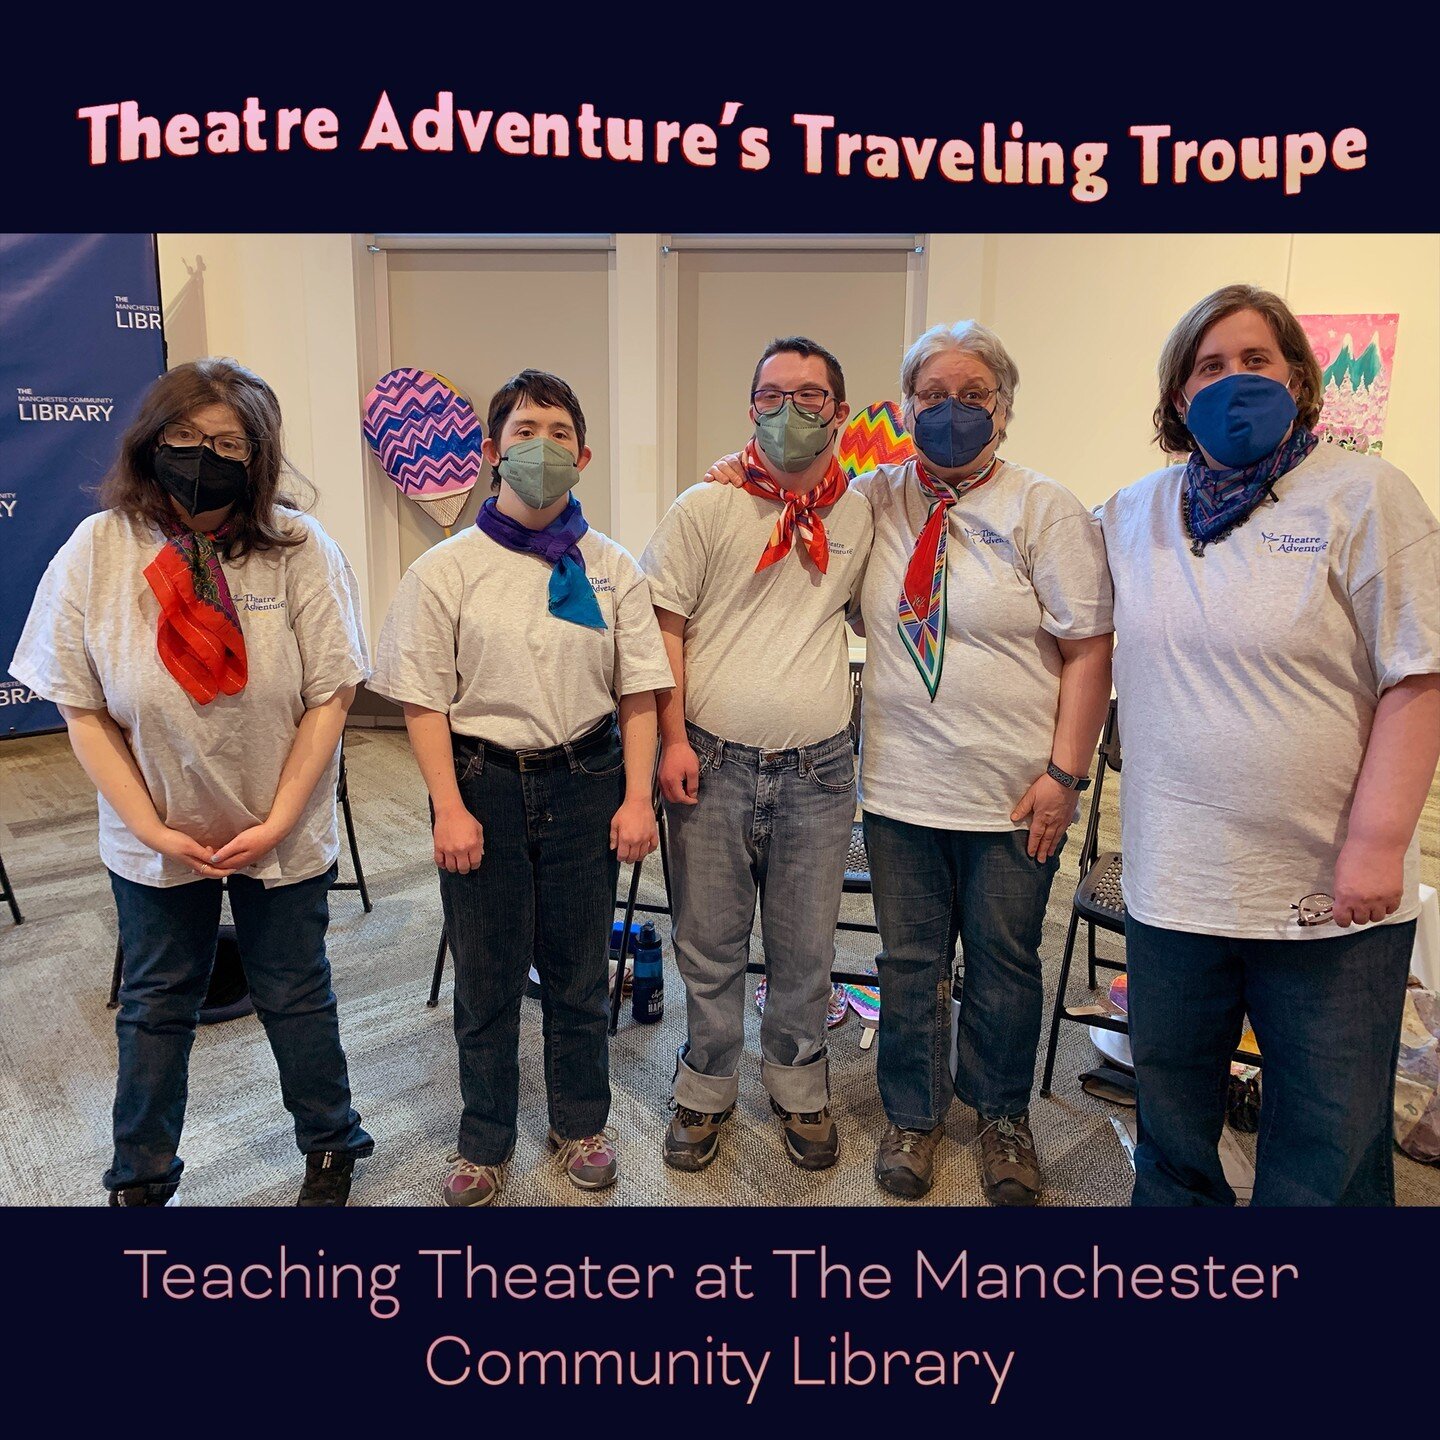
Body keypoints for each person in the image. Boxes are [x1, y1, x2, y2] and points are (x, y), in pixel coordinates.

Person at [705, 321, 1114, 1204]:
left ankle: (1002, 1119)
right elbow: (795, 498)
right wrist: (742, 477)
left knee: (1005, 962)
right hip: (898, 790)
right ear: (906, 406)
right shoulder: (876, 500)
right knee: (910, 962)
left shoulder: (1046, 510)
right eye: (933, 395)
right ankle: (914, 1117)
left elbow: (1089, 648)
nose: (952, 411)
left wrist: (1066, 776)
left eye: (973, 396)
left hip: (1013, 792)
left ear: (1004, 409)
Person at [1100, 283, 1440, 1206]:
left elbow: (1420, 674)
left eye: (1257, 360)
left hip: (1328, 900)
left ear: (1300, 375)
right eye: (1210, 366)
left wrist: (1374, 846)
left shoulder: (1368, 494)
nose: (1235, 381)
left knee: (1326, 1148)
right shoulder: (1134, 512)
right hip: (1175, 888)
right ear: (1177, 395)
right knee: (1171, 1132)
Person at [10, 357, 374, 1207]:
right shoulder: (97, 550)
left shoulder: (298, 549)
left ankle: (331, 1143)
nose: (202, 455)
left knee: (294, 992)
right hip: (153, 829)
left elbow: (332, 695)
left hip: (281, 824)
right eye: (183, 436)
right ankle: (140, 1179)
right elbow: (83, 709)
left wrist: (281, 816)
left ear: (259, 457)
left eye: (226, 442)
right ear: (149, 441)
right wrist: (151, 827)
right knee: (155, 1003)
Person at [370, 369, 673, 1207]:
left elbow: (639, 690)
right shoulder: (447, 570)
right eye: (525, 430)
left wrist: (637, 797)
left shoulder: (610, 567)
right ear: (491, 451)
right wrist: (449, 808)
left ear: (585, 452)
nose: (543, 446)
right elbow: (422, 697)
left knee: (578, 970)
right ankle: (484, 1139)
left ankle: (580, 1122)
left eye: (559, 432)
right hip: (484, 785)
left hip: (586, 779)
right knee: (489, 974)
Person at [642, 336, 873, 1174]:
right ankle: (705, 1085)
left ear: (839, 414)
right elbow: (661, 628)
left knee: (805, 944)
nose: (789, 412)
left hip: (818, 770)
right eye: (771, 396)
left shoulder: (861, 511)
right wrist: (670, 739)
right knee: (708, 941)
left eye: (810, 396)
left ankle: (798, 1085)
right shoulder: (704, 508)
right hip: (710, 759)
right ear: (749, 409)